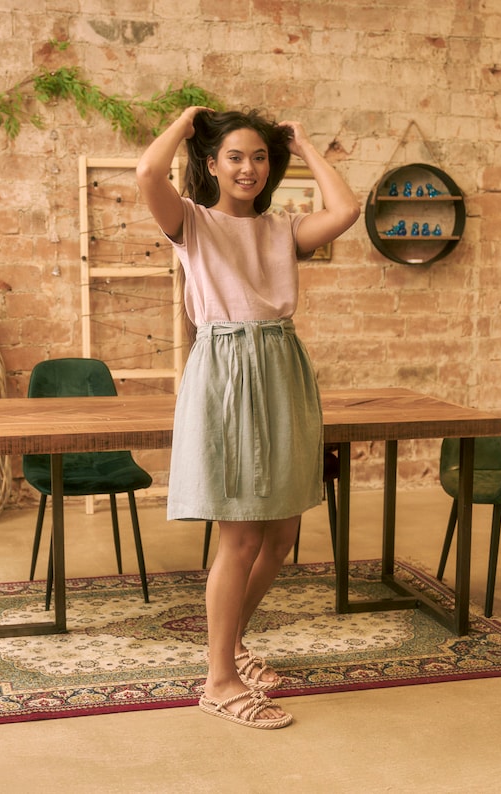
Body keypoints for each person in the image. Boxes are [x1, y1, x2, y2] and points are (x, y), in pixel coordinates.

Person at [136, 107, 360, 729]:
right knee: (239, 536)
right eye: (235, 156)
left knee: (282, 533)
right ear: (212, 164)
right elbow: (148, 170)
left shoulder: (283, 230)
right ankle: (219, 680)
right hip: (227, 369)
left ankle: (231, 641)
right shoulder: (192, 223)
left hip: (282, 366)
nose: (249, 168)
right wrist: (186, 121)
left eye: (260, 157)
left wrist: (307, 141)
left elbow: (345, 211)